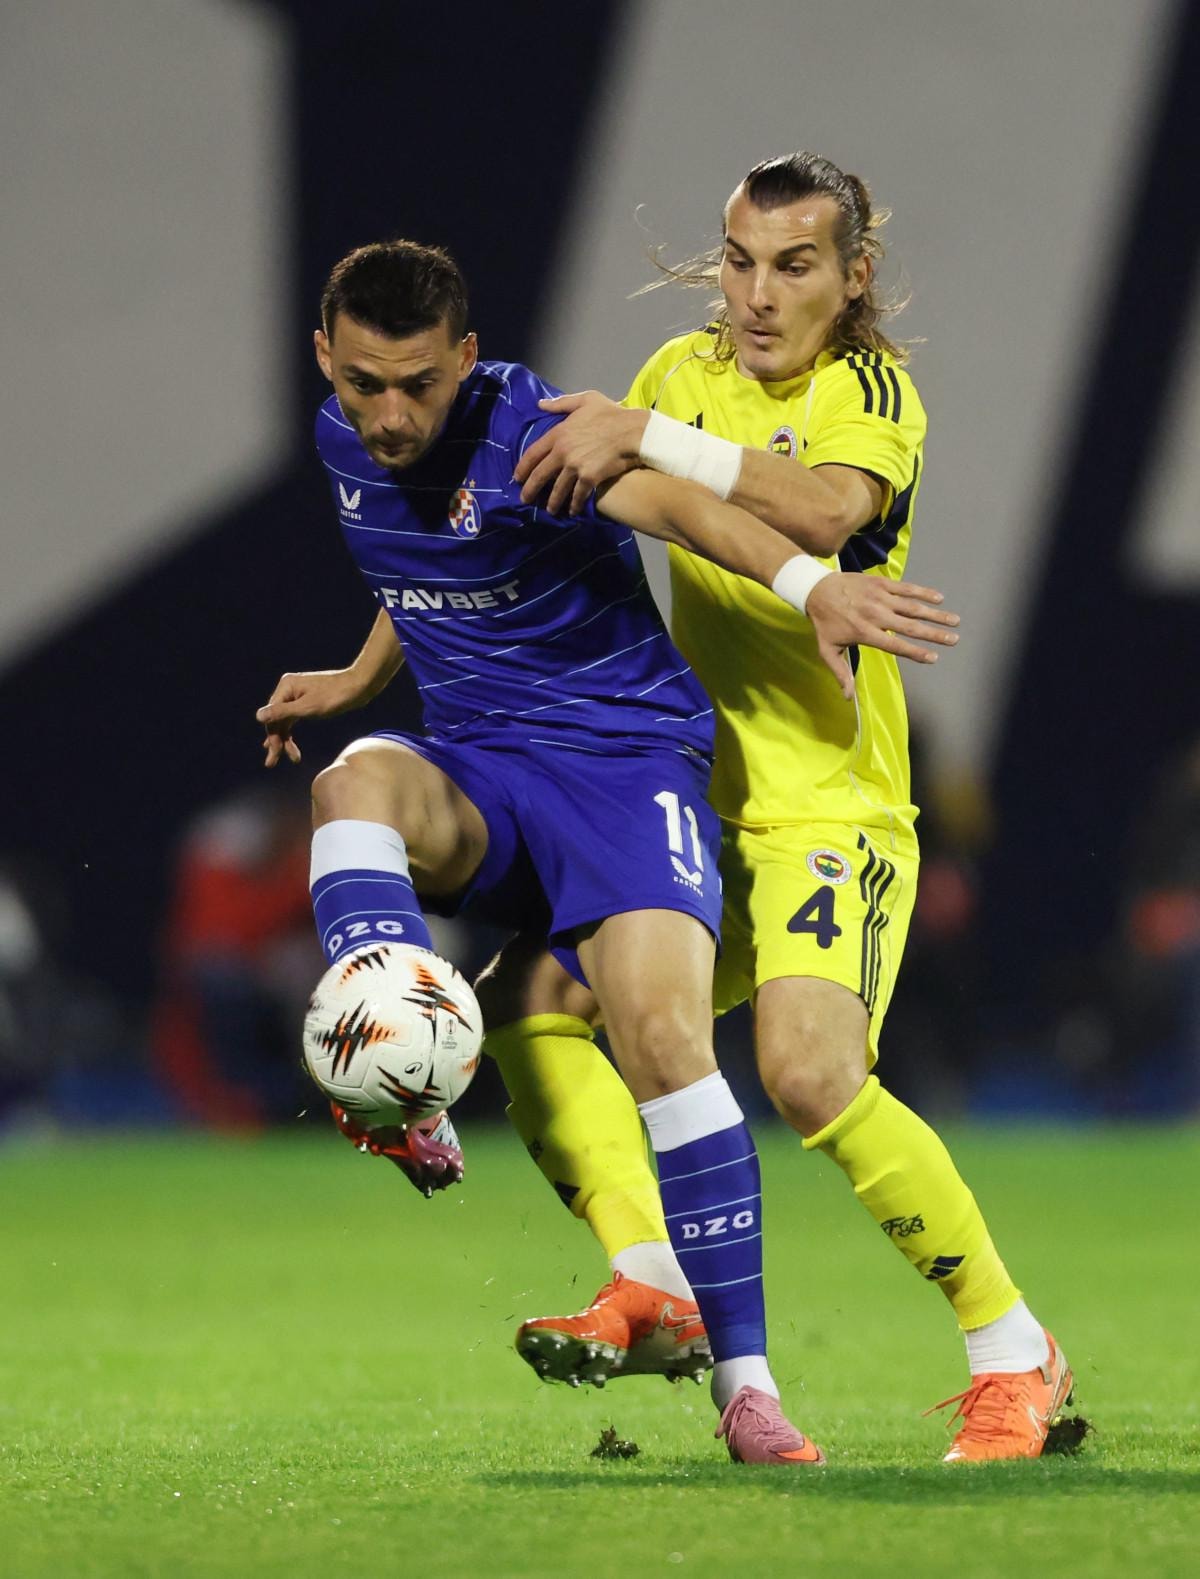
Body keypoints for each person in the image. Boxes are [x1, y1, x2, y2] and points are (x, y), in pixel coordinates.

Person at [257, 238, 958, 1465]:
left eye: (420, 385)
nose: (392, 414)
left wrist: (814, 588)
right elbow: (428, 563)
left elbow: (680, 509)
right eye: (365, 383)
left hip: (627, 770)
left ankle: (745, 1387)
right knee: (352, 782)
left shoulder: (530, 433)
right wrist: (360, 679)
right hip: (484, 768)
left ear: (467, 358)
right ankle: (405, 1073)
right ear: (325, 358)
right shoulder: (345, 441)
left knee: (663, 1040)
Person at [479, 152, 1076, 1464]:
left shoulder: (868, 390)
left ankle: (1011, 1345)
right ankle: (652, 1279)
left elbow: (820, 507)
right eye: (740, 261)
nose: (756, 293)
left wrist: (645, 435)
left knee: (808, 1073)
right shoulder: (677, 373)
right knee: (532, 1002)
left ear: (851, 278)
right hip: (692, 801)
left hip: (827, 810)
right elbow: (542, 515)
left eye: (793, 265)